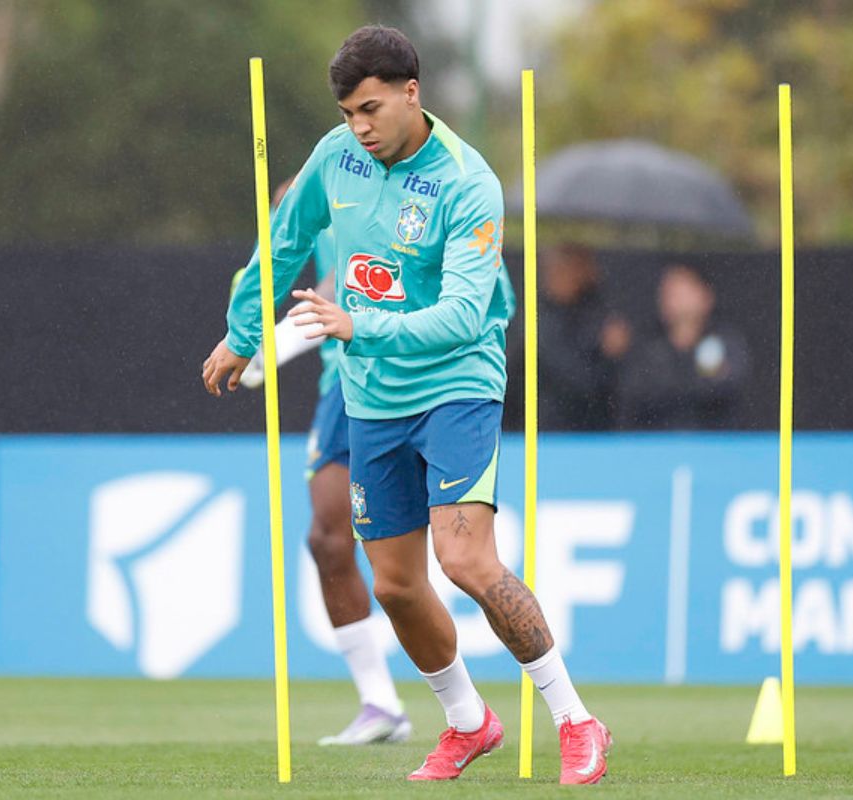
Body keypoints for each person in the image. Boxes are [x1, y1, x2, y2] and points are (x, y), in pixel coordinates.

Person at [202, 25, 612, 784]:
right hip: (371, 397)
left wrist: (362, 323)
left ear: (410, 93)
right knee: (393, 581)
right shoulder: (337, 156)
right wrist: (241, 333)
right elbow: (284, 244)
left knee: (466, 561)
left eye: (369, 109)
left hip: (457, 383)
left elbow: (464, 314)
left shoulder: (467, 181)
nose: (358, 127)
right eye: (348, 113)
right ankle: (467, 723)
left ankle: (576, 721)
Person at [234, 178, 410, 747]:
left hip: (416, 369)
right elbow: (303, 273)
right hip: (345, 382)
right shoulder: (302, 204)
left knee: (437, 559)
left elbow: (353, 283)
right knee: (328, 538)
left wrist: (279, 343)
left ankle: (468, 710)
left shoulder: (398, 192)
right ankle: (381, 703)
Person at [619, 262, 751, 429]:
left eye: (683, 290)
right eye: (669, 291)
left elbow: (725, 386)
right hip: (658, 446)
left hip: (717, 445)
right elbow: (637, 394)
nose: (676, 298)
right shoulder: (647, 347)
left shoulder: (726, 341)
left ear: (706, 296)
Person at [528, 243, 630, 430]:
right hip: (555, 430)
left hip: (600, 427)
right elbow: (575, 381)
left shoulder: (596, 308)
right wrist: (607, 355)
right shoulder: (540, 321)